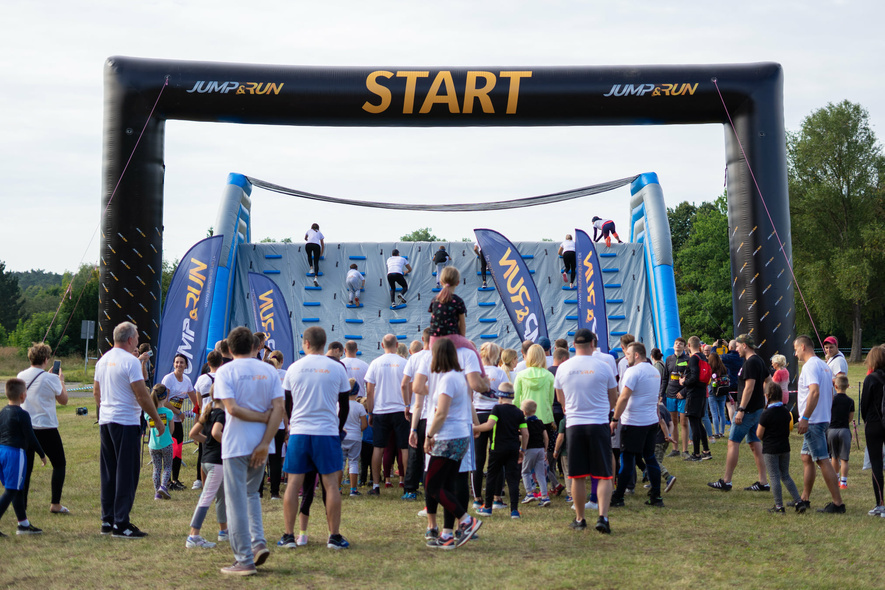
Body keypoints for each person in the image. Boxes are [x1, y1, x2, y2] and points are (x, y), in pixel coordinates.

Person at [215, 326, 285, 575]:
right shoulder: (269, 371)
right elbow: (279, 408)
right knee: (252, 495)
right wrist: (266, 441)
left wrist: (259, 418)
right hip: (262, 443)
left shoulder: (226, 371)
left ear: (230, 349)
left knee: (235, 502)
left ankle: (244, 559)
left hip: (235, 444)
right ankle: (258, 542)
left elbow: (231, 409)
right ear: (256, 347)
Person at [279, 326, 351, 551]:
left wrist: (292, 426)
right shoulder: (337, 368)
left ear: (306, 344)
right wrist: (337, 428)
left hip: (300, 431)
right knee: (331, 486)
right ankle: (334, 536)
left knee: (293, 483)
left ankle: (289, 536)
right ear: (324, 343)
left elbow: (287, 404)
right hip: (327, 432)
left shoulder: (293, 368)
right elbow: (346, 406)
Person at [94, 321, 166, 539]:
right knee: (126, 473)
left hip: (106, 421)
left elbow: (97, 393)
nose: (137, 338)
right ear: (130, 340)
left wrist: (103, 413)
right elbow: (142, 395)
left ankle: (107, 520)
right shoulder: (131, 362)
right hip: (125, 422)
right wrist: (157, 420)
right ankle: (121, 524)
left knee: (109, 472)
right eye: (136, 335)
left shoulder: (103, 360)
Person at [554, 328, 618, 534]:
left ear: (573, 346)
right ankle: (603, 517)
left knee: (577, 475)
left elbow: (560, 400)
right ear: (593, 344)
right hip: (598, 423)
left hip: (574, 425)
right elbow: (613, 398)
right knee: (604, 475)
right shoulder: (604, 366)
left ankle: (580, 518)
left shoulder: (563, 368)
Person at [422, 339, 483, 549]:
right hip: (459, 436)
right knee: (447, 485)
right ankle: (447, 534)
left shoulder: (447, 379)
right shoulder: (459, 377)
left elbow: (441, 413)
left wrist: (429, 435)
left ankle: (466, 520)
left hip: (447, 438)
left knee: (431, 485)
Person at [708, 333, 769, 492]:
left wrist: (741, 409)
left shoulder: (750, 363)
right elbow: (769, 381)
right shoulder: (759, 361)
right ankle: (763, 482)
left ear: (744, 346)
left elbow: (749, 387)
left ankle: (726, 481)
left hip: (747, 410)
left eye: (737, 347)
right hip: (757, 409)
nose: (735, 350)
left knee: (733, 442)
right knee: (755, 444)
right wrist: (766, 401)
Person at [793, 334, 845, 514]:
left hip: (813, 421)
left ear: (803, 347)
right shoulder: (824, 365)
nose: (795, 353)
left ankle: (838, 503)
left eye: (795, 349)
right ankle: (804, 498)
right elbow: (830, 393)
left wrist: (805, 418)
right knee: (806, 458)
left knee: (823, 460)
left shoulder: (809, 367)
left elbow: (814, 392)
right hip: (822, 418)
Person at [610, 342, 665, 507]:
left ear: (636, 355)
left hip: (634, 422)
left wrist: (614, 419)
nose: (625, 358)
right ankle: (656, 496)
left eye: (627, 354)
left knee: (627, 459)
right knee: (650, 457)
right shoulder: (654, 371)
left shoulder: (632, 371)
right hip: (650, 421)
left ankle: (618, 497)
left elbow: (624, 397)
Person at [18, 342, 69, 515]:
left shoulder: (21, 375)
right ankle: (55, 504)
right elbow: (63, 400)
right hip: (46, 428)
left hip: (25, 428)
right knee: (59, 464)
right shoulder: (51, 378)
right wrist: (61, 381)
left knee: (26, 469)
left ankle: (22, 506)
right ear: (46, 359)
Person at [473, 382, 527, 518]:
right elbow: (525, 434)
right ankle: (514, 511)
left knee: (491, 477)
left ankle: (488, 508)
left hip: (496, 449)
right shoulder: (519, 412)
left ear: (500, 397)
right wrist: (523, 450)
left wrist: (474, 428)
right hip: (513, 449)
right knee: (513, 479)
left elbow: (489, 425)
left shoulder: (497, 409)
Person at [0, 379, 46, 536]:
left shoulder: (2, 412)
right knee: (12, 490)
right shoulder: (23, 414)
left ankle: (23, 524)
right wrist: (42, 454)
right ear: (22, 396)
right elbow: (31, 437)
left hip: (2, 452)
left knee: (17, 488)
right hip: (15, 454)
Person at [365, 334, 409, 496]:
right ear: (397, 345)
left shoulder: (375, 363)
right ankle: (408, 485)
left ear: (382, 345)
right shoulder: (404, 362)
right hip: (400, 409)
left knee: (378, 447)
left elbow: (370, 390)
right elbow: (408, 386)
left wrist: (370, 411)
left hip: (381, 410)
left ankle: (376, 485)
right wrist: (408, 406)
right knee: (404, 447)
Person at [513, 344, 560, 493]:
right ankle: (545, 483)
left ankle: (531, 485)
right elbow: (551, 399)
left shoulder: (520, 375)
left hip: (525, 418)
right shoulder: (549, 375)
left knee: (526, 452)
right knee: (542, 455)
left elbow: (515, 399)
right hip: (544, 418)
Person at [186, 383, 228, 548]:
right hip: (215, 463)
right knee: (207, 498)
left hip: (206, 461)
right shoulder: (221, 415)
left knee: (221, 496)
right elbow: (216, 433)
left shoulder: (208, 412)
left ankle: (223, 531)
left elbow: (193, 433)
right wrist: (229, 443)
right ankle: (193, 536)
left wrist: (209, 441)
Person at [471, 342, 509, 509]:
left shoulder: (476, 373)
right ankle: (496, 497)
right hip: (496, 415)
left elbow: (470, 395)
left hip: (478, 415)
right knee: (497, 458)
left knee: (478, 460)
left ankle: (477, 497)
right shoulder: (500, 373)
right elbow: (507, 394)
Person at [428, 266, 485, 376]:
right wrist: (462, 340)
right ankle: (483, 378)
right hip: (452, 338)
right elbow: (462, 324)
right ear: (458, 282)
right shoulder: (457, 301)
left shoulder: (434, 300)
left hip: (434, 339)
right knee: (474, 353)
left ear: (441, 281)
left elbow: (433, 322)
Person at [756, 381, 802, 513]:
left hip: (770, 449)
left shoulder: (766, 414)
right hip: (784, 447)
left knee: (775, 476)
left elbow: (759, 434)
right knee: (785, 475)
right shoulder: (785, 411)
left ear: (767, 395)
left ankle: (779, 506)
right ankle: (798, 501)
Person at [161, 353, 198, 491]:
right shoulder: (168, 379)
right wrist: (179, 412)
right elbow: (164, 401)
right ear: (173, 364)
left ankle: (175, 479)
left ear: (186, 365)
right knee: (169, 449)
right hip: (167, 418)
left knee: (178, 450)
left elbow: (195, 401)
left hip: (178, 420)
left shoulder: (187, 380)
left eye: (181, 362)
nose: (179, 365)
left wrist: (201, 411)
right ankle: (167, 481)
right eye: (176, 362)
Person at [403, 331, 432, 500]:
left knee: (414, 451)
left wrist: (407, 404)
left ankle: (410, 488)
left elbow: (404, 383)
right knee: (431, 453)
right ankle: (432, 486)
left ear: (423, 340)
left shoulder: (415, 358)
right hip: (433, 414)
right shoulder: (441, 358)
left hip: (418, 412)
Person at [860, 346, 885, 516]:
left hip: (875, 424)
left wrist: (866, 421)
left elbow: (864, 404)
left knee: (876, 464)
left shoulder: (871, 379)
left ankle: (880, 504)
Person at [193, 350, 223, 491]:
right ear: (221, 363)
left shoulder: (201, 379)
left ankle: (200, 480)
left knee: (203, 450)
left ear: (208, 363)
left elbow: (198, 402)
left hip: (206, 416)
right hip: (221, 414)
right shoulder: (224, 377)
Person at [680, 336, 711, 462]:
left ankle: (696, 454)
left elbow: (694, 377)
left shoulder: (693, 358)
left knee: (694, 423)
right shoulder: (703, 357)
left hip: (694, 394)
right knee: (698, 422)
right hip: (703, 392)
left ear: (688, 345)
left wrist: (684, 382)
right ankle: (706, 451)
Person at [519, 399, 551, 508]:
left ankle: (529, 493)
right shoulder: (540, 422)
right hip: (541, 449)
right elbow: (546, 437)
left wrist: (522, 447)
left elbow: (524, 436)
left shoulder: (524, 423)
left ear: (523, 412)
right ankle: (545, 496)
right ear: (535, 410)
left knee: (525, 471)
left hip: (530, 449)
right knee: (540, 474)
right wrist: (545, 450)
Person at [660, 337, 689, 459]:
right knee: (673, 422)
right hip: (670, 394)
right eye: (676, 343)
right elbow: (665, 378)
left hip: (683, 394)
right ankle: (675, 449)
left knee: (684, 422)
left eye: (680, 344)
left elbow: (691, 379)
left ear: (684, 346)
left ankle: (685, 450)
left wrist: (683, 391)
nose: (677, 345)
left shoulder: (688, 359)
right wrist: (662, 393)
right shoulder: (669, 359)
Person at [146, 385, 175, 500]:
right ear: (165, 396)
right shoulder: (168, 412)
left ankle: (157, 493)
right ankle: (163, 486)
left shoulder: (148, 412)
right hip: (166, 443)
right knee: (167, 467)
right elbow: (172, 430)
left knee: (156, 468)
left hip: (153, 445)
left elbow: (150, 428)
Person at [827, 374, 855, 490]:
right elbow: (850, 418)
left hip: (832, 430)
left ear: (835, 386)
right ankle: (843, 482)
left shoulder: (831, 399)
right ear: (848, 386)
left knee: (834, 456)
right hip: (844, 430)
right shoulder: (850, 401)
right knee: (844, 458)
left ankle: (835, 479)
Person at [342, 379, 368, 497]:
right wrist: (358, 429)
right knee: (353, 462)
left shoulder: (338, 405)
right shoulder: (360, 407)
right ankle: (353, 489)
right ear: (357, 392)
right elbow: (364, 425)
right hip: (355, 437)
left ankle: (338, 488)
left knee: (340, 463)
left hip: (341, 436)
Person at [707, 351, 730, 439]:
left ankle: (716, 432)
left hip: (712, 392)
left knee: (714, 413)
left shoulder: (710, 368)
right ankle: (722, 432)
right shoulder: (723, 368)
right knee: (722, 412)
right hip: (723, 391)